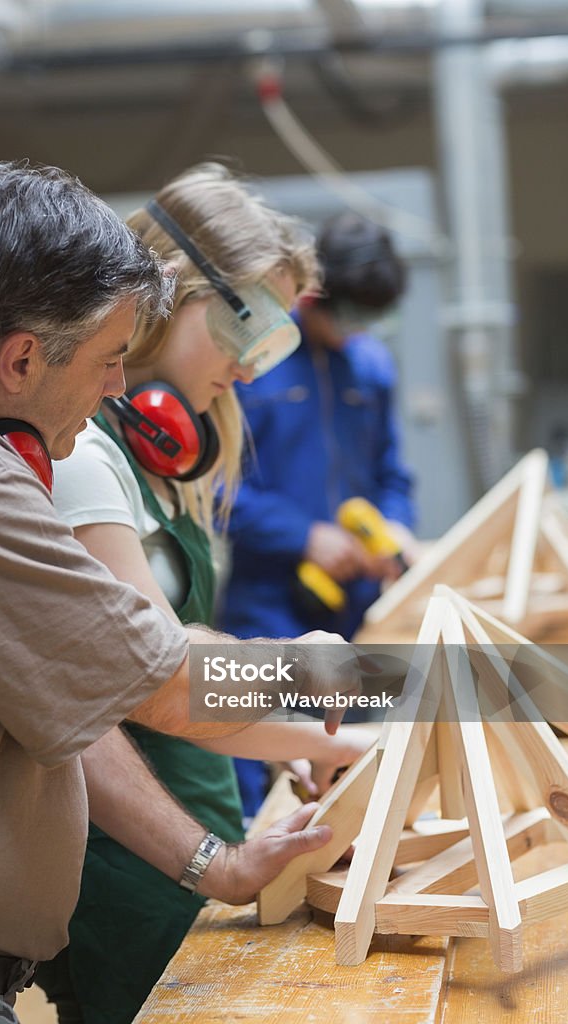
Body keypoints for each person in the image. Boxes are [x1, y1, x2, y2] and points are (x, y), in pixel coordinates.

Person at [0, 160, 359, 1024]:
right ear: (17, 359)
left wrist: (213, 862)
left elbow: (71, 702)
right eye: (108, 359)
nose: (118, 386)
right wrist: (382, 683)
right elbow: (149, 682)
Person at [220, 210, 416, 813]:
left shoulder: (373, 368)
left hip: (359, 607)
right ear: (314, 294)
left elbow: (392, 473)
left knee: (363, 764)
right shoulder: (255, 364)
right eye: (350, 313)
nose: (357, 329)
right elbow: (220, 493)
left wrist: (395, 529)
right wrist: (303, 536)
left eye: (370, 318)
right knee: (266, 765)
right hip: (269, 605)